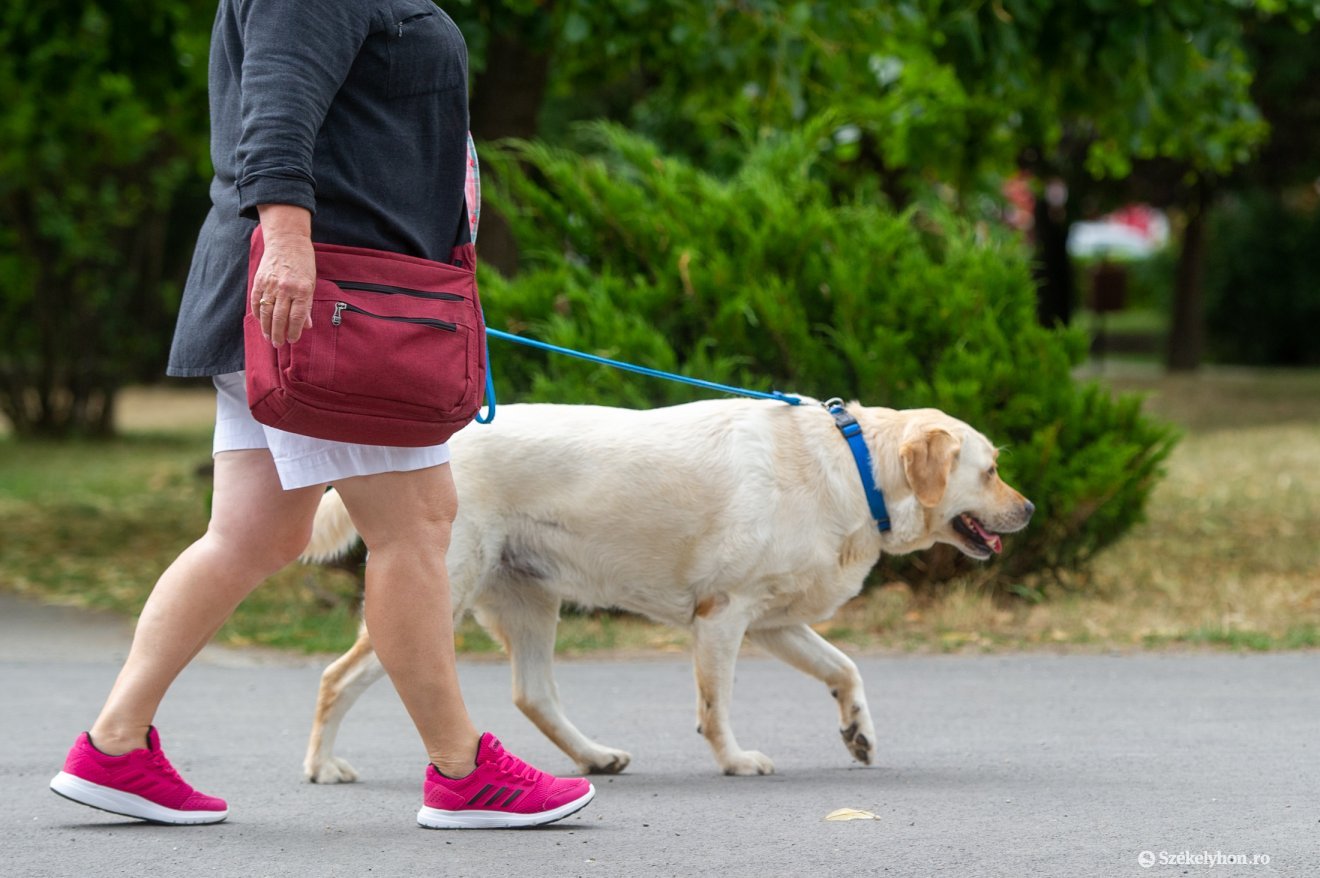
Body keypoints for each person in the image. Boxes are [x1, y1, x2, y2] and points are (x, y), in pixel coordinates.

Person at [48, 0, 594, 829]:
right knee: (416, 525)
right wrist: (291, 245)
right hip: (324, 304)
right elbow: (277, 100)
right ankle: (461, 771)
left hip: (316, 297)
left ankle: (114, 747)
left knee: (253, 534)